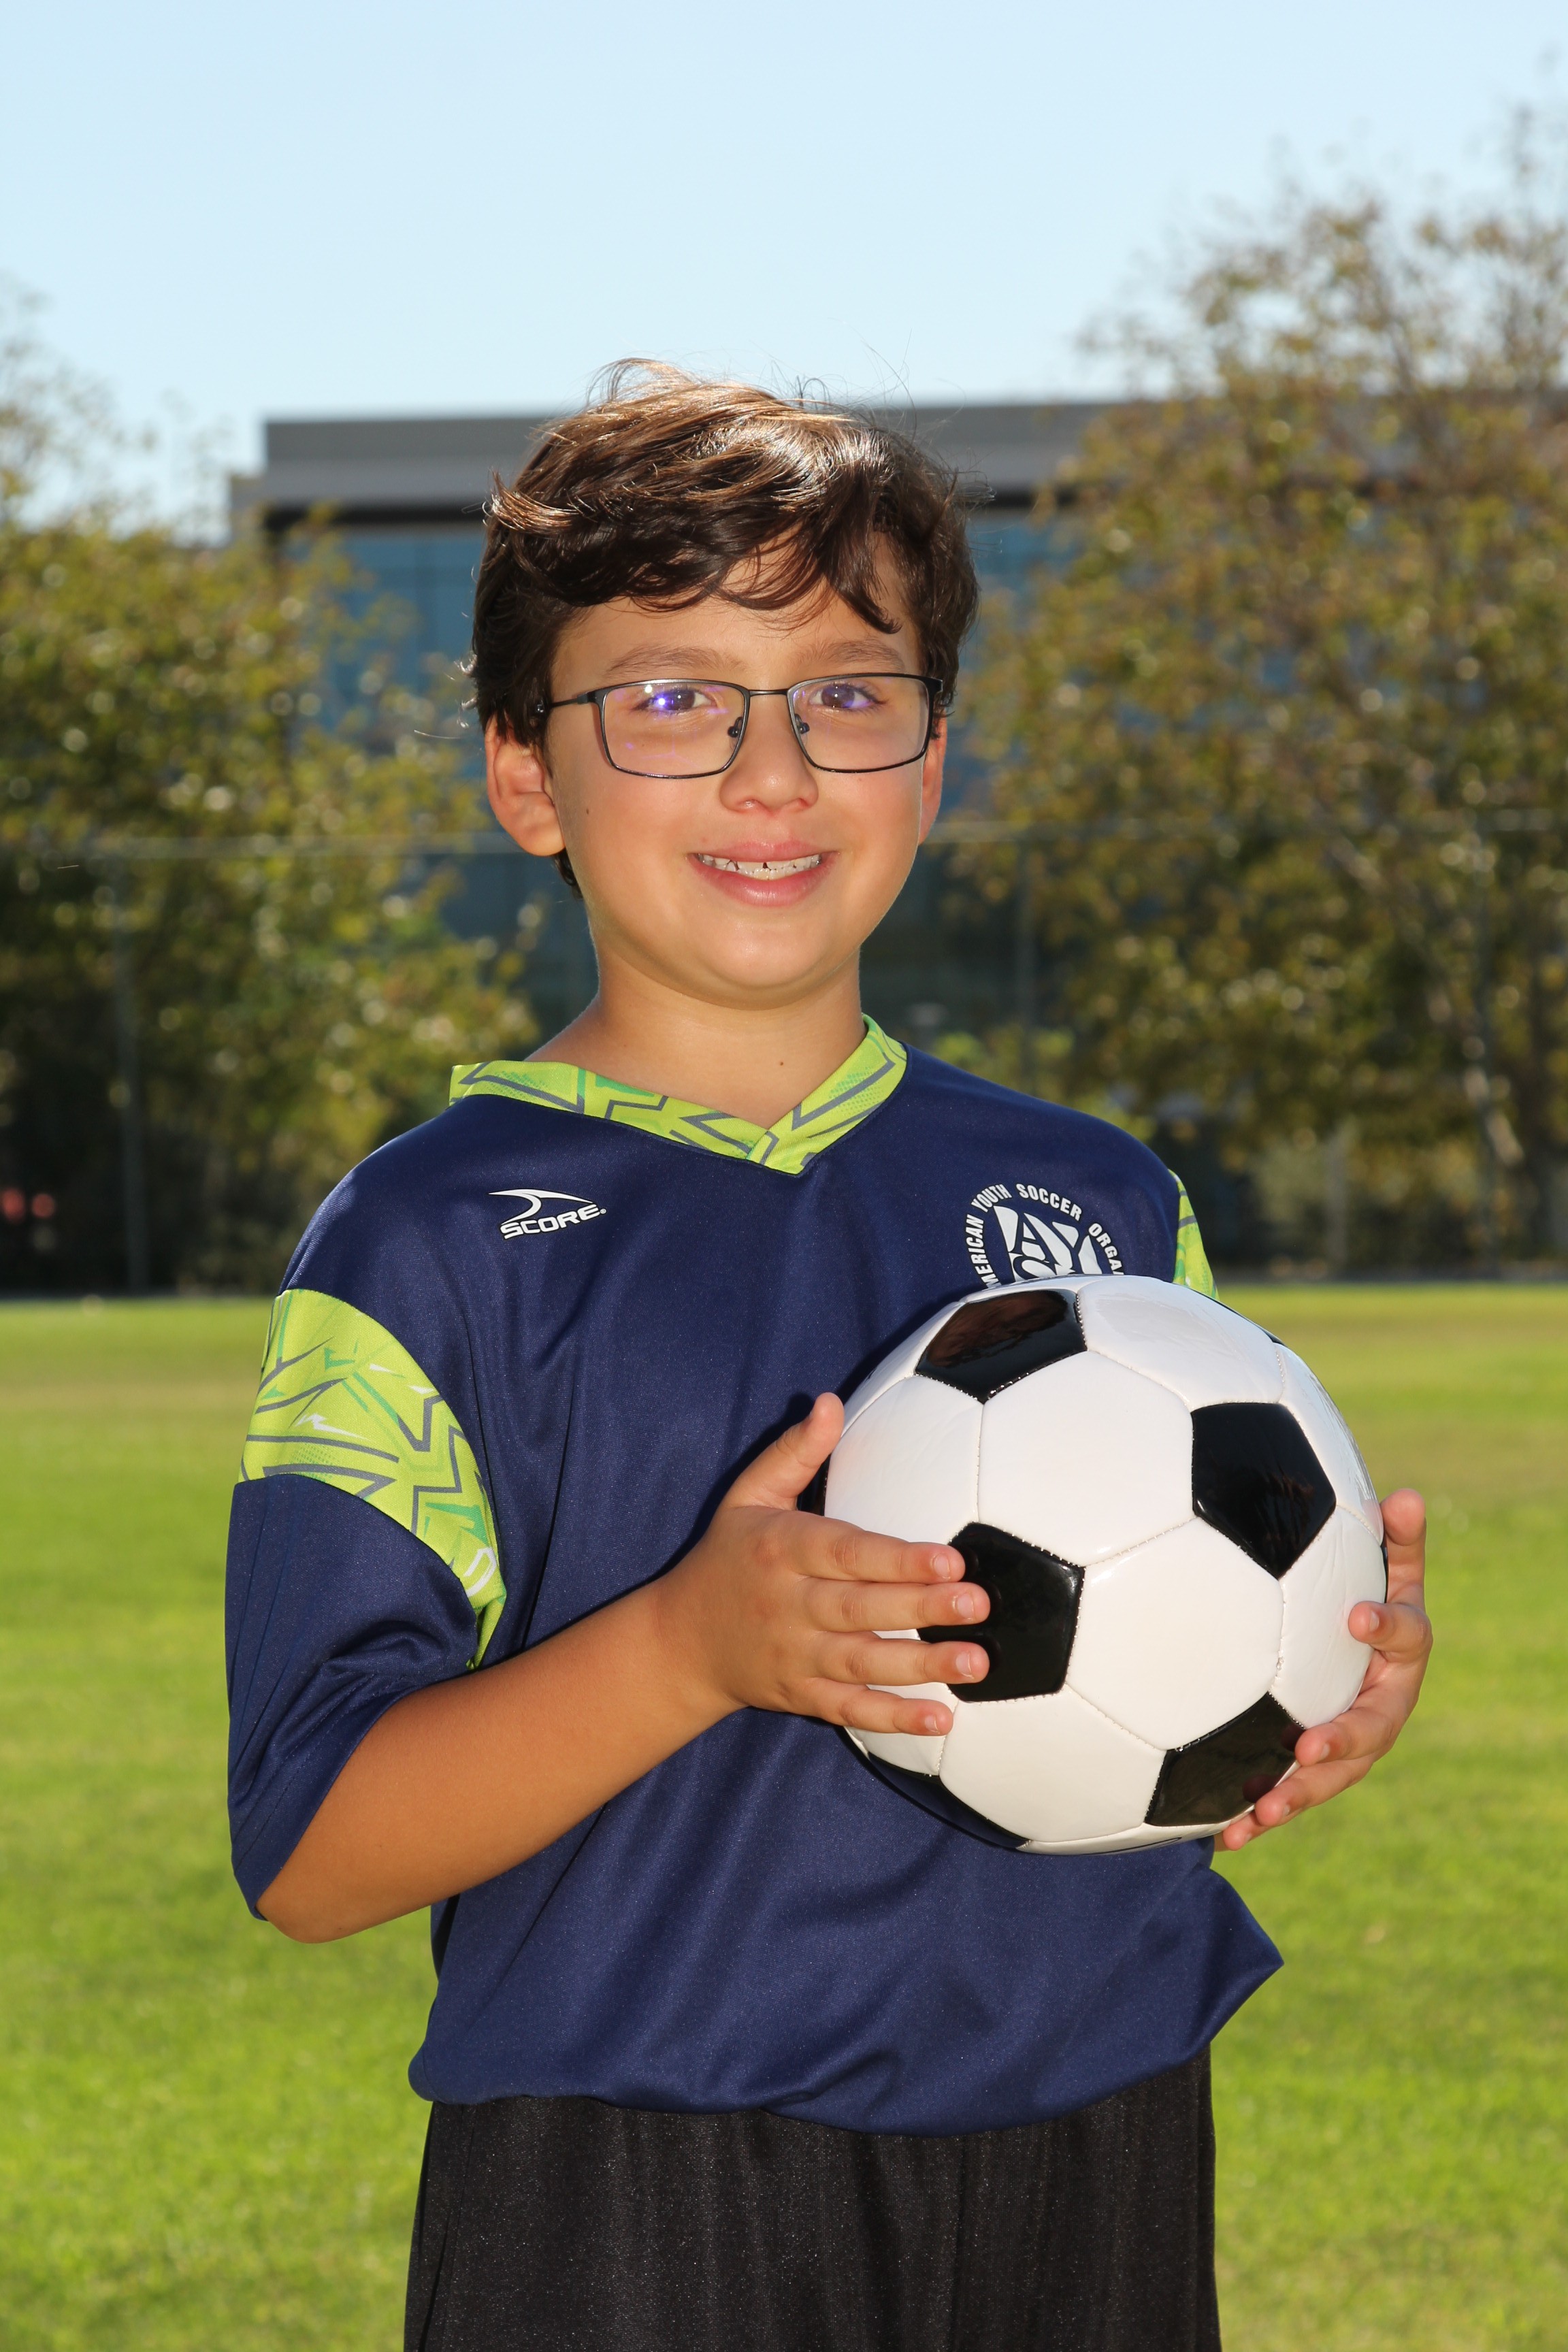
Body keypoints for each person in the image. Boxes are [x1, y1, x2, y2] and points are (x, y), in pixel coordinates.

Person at [225, 368, 1432, 2352]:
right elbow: (312, 1847)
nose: (773, 773)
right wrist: (690, 1650)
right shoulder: (424, 1247)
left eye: (847, 696)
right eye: (672, 699)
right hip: (637, 2189)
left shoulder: (1106, 1204)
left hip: (1100, 2141)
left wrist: (1311, 1682)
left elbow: (1174, 1660)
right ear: (527, 775)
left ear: (931, 760)